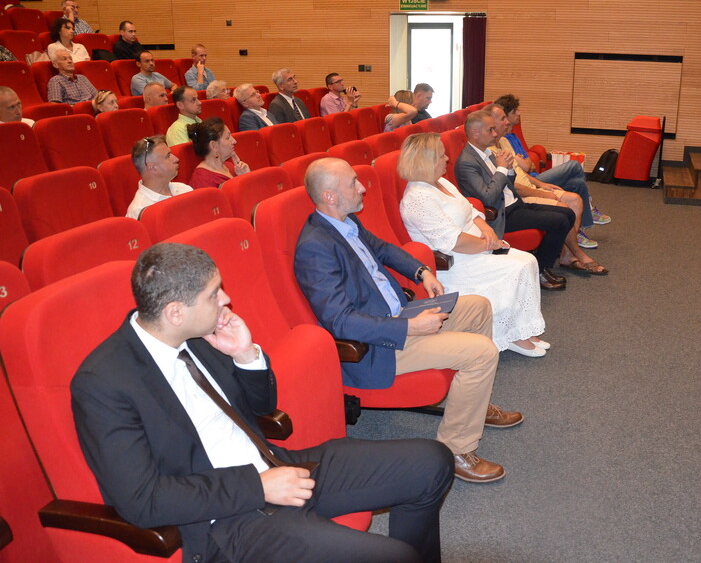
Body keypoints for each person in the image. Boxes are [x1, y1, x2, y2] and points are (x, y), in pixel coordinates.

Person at [71, 242, 453, 563]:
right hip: (231, 517)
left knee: (432, 462)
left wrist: (245, 356)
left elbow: (261, 407)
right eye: (213, 294)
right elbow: (143, 501)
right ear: (175, 312)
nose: (226, 299)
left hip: (276, 464)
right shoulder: (104, 383)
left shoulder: (197, 332)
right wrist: (258, 487)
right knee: (395, 557)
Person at [295, 157, 524, 483]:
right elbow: (340, 321)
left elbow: (384, 250)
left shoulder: (346, 223)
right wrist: (408, 328)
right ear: (330, 196)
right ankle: (456, 450)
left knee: (478, 306)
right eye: (352, 184)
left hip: (399, 316)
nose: (362, 188)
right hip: (376, 347)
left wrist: (422, 271)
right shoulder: (315, 248)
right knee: (482, 352)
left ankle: (474, 402)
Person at [398, 133, 549, 357]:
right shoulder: (418, 197)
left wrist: (486, 228)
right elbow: (453, 241)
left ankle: (523, 329)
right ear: (425, 162)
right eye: (441, 156)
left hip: (475, 246)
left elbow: (469, 209)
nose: (447, 159)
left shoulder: (440, 182)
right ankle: (509, 333)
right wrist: (488, 244)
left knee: (527, 261)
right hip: (453, 261)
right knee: (518, 266)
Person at [455, 110, 574, 291]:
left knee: (568, 213)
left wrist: (509, 170)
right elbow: (487, 197)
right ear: (475, 133)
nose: (495, 134)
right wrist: (502, 169)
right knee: (559, 221)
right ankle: (539, 271)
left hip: (515, 204)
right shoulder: (467, 162)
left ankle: (542, 266)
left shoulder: (487, 153)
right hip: (501, 214)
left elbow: (506, 185)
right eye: (490, 130)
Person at [487, 104, 608, 275]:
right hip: (520, 197)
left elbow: (523, 171)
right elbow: (511, 186)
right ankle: (577, 253)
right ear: (491, 124)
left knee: (576, 196)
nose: (507, 122)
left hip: (531, 186)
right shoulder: (490, 152)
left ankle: (566, 254)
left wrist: (540, 183)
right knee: (569, 203)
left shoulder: (505, 141)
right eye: (503, 119)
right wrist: (544, 193)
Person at [494, 94, 611, 233]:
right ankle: (589, 209)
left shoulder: (510, 137)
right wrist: (525, 163)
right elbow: (526, 166)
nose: (519, 113)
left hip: (533, 177)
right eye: (515, 111)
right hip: (530, 181)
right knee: (573, 166)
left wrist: (525, 162)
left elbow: (528, 164)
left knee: (578, 184)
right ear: (506, 116)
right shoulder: (503, 139)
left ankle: (581, 227)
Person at [125, 136, 192, 219]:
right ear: (152, 168)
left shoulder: (184, 189)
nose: (176, 159)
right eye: (168, 156)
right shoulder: (140, 211)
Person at [187, 117, 250, 189]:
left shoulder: (231, 166)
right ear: (214, 145)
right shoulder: (201, 179)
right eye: (227, 138)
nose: (234, 141)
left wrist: (245, 176)